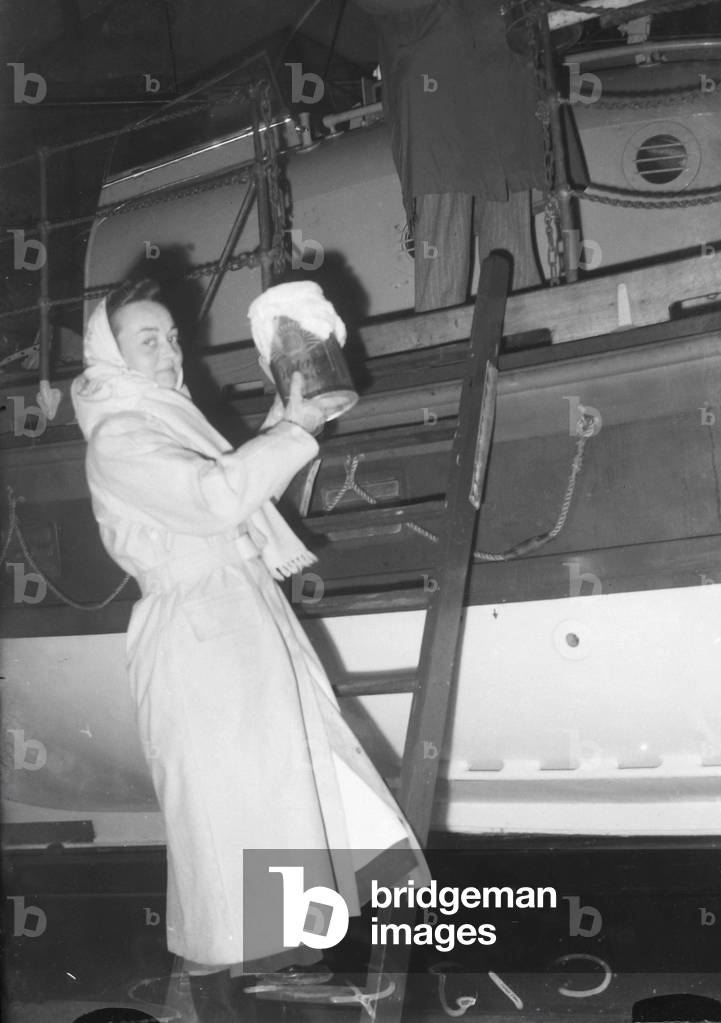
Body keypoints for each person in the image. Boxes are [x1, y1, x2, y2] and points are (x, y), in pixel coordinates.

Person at [71, 278, 428, 1023]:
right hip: (201, 637)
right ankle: (241, 1001)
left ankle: (284, 977)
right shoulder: (121, 434)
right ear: (111, 355)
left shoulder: (161, 418)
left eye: (172, 336)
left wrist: (295, 405)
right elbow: (212, 498)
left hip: (235, 620)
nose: (169, 350)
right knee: (235, 829)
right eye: (149, 340)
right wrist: (292, 426)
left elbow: (233, 483)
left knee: (277, 810)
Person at [363, 0, 547, 310]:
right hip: (437, 99)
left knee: (511, 237)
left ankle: (525, 337)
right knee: (442, 239)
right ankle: (441, 348)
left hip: (500, 84)